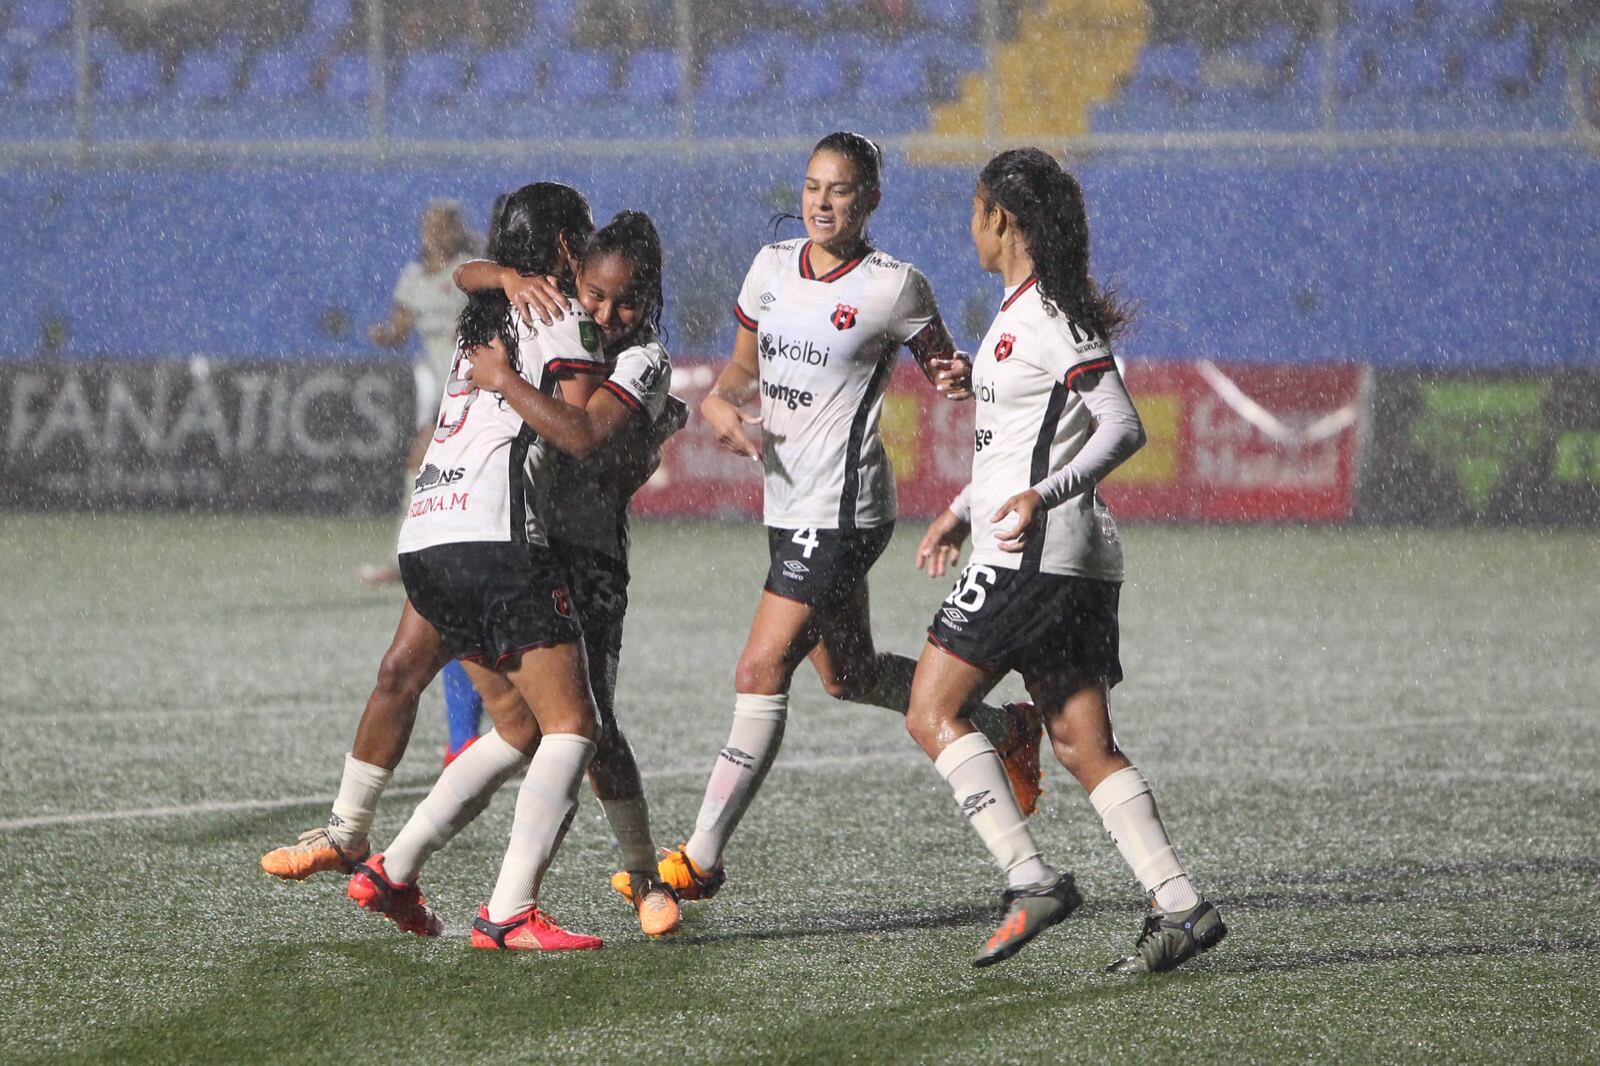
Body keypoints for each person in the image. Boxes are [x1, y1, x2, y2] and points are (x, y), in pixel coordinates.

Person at [632, 131, 1045, 906]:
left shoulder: (896, 287)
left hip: (846, 508)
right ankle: (1007, 729)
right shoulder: (769, 267)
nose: (822, 203)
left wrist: (961, 380)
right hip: (786, 504)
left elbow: (949, 373)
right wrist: (722, 404)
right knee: (847, 674)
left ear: (871, 201)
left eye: (841, 190)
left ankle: (700, 858)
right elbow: (740, 373)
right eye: (813, 187)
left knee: (759, 670)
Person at [260, 198, 688, 941]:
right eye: (596, 291)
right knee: (564, 726)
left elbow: (599, 454)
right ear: (570, 262)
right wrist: (506, 286)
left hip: (574, 552)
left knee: (565, 726)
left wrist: (641, 440)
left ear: (649, 300)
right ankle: (496, 903)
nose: (609, 310)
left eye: (626, 300)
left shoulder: (635, 354)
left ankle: (638, 875)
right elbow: (472, 279)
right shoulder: (545, 316)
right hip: (510, 543)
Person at [907, 147, 1226, 972]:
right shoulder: (1022, 314)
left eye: (975, 211)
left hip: (1037, 553)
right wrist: (956, 507)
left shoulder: (1047, 314)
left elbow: (1123, 426)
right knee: (1082, 744)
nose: (968, 227)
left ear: (1000, 220)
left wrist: (1040, 501)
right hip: (1062, 555)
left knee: (931, 709)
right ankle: (1181, 906)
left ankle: (1030, 879)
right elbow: (1018, 441)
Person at [337, 180, 618, 951]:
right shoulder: (564, 320)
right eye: (584, 236)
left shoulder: (479, 312)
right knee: (573, 727)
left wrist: (496, 277)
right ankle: (508, 913)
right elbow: (581, 436)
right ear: (564, 246)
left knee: (517, 726)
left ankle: (389, 867)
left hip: (427, 535)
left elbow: (463, 272)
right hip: (493, 538)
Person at [363, 198, 486, 761]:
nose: (435, 231)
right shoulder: (414, 276)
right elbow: (402, 324)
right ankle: (412, 549)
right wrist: (386, 334)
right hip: (433, 379)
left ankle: (424, 546)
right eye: (429, 223)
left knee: (423, 457)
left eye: (444, 223)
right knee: (420, 463)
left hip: (472, 381)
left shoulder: (472, 269)